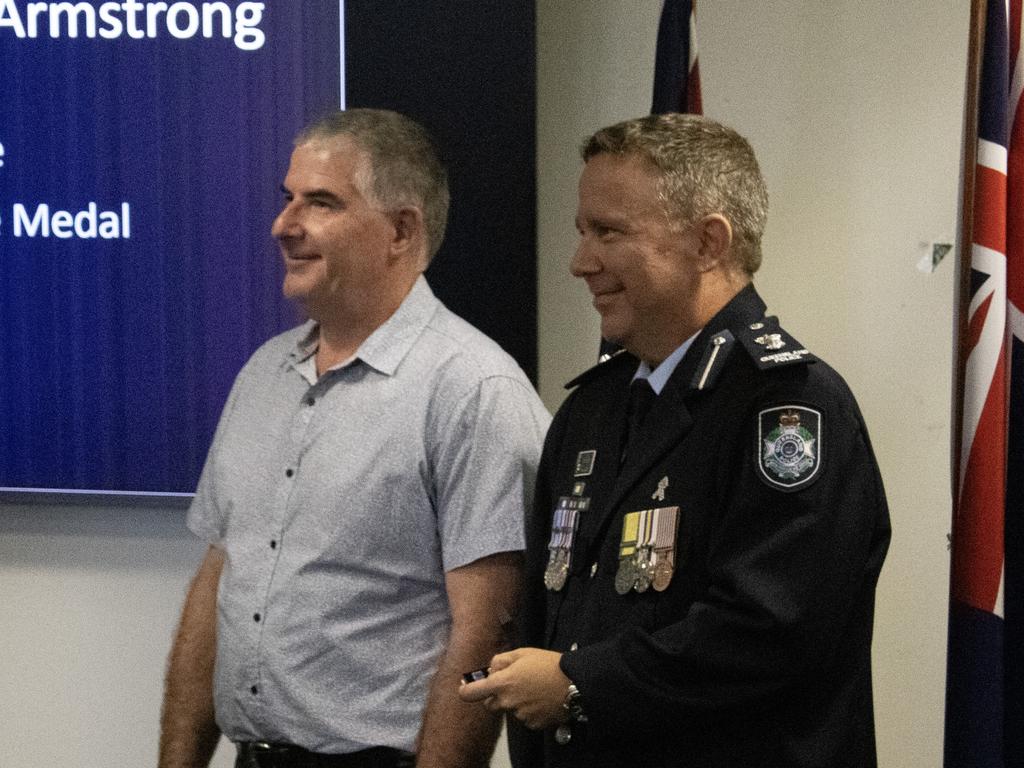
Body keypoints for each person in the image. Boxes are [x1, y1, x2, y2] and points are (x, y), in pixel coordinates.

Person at [459, 113, 891, 768]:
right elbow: (556, 618)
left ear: (708, 243)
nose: (581, 263)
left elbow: (768, 634)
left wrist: (580, 684)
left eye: (609, 232)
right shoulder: (590, 413)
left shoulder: (789, 407)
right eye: (582, 232)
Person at [158, 108, 550, 768]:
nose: (284, 225)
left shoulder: (473, 390)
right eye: (288, 199)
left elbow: (483, 631)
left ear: (401, 230)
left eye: (321, 203)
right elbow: (216, 586)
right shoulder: (264, 374)